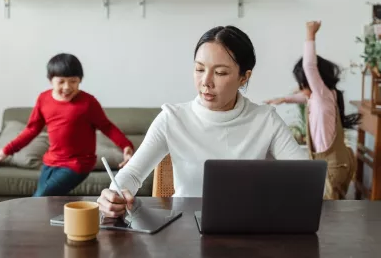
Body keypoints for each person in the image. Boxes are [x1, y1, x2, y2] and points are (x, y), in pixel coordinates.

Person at [97, 26, 309, 218]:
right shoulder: (172, 118)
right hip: (185, 232)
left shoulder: (265, 120)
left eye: (220, 73)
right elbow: (133, 174)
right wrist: (114, 194)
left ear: (244, 77)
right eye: (199, 69)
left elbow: (305, 178)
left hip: (249, 229)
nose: (206, 82)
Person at [0, 53, 134, 197]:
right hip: (51, 161)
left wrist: (126, 146)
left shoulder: (88, 103)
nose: (67, 87)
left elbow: (107, 126)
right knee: (47, 202)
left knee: (40, 198)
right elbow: (32, 129)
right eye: (61, 81)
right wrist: (8, 150)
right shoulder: (43, 99)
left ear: (80, 80)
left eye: (73, 81)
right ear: (51, 80)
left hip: (78, 164)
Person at [265, 21, 360, 199]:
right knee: (329, 209)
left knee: (329, 212)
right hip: (336, 162)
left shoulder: (322, 93)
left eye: (301, 84)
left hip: (333, 166)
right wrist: (284, 99)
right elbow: (305, 97)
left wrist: (310, 35)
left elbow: (309, 66)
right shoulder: (323, 97)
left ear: (312, 81)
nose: (300, 89)